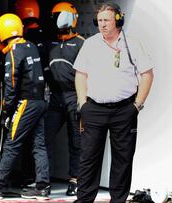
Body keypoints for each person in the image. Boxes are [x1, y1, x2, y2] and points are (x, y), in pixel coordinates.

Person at [73, 2, 154, 203]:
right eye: (99, 21)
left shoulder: (132, 44)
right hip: (94, 109)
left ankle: (118, 200)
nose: (102, 24)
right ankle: (84, 199)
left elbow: (147, 75)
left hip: (124, 110)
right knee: (88, 158)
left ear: (117, 20)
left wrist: (137, 105)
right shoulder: (90, 44)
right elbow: (80, 75)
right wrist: (83, 104)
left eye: (107, 20)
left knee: (123, 160)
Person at [0, 13, 50, 200]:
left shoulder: (13, 51)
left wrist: (7, 110)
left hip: (26, 103)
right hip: (40, 101)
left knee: (11, 144)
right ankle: (42, 187)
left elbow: (11, 83)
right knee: (39, 145)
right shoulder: (30, 46)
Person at [45, 2, 84, 196]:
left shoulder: (81, 43)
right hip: (55, 97)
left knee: (76, 140)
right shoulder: (49, 43)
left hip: (74, 96)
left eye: (60, 15)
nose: (57, 19)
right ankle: (43, 180)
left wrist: (84, 100)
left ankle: (75, 180)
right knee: (45, 138)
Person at [13, 0, 46, 186]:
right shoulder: (44, 37)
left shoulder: (22, 43)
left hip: (26, 98)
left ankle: (6, 180)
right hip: (42, 96)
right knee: (38, 143)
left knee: (14, 142)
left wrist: (8, 106)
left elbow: (14, 75)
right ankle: (41, 183)